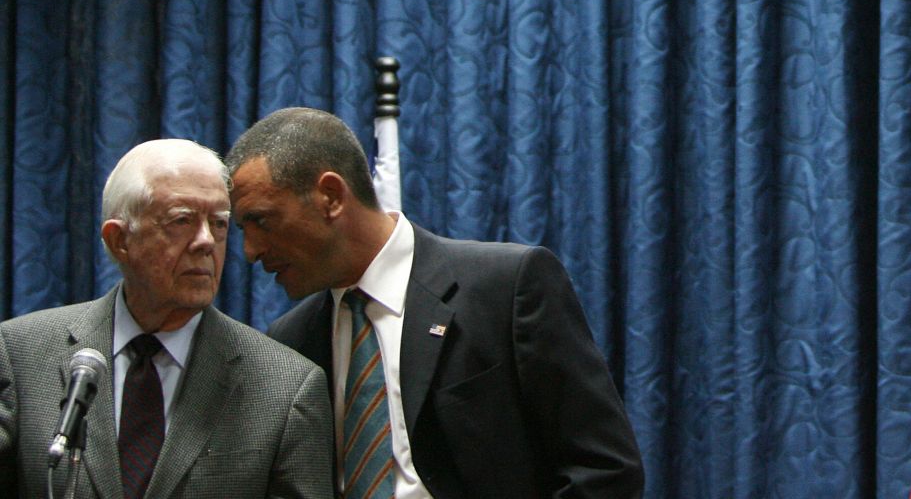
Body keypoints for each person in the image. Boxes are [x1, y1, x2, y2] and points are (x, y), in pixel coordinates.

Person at [225, 106, 643, 499]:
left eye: (261, 220)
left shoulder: (505, 287)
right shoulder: (292, 340)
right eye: (242, 229)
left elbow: (602, 470)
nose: (249, 250)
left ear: (331, 197)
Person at [0, 139, 332, 499]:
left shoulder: (285, 387)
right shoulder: (21, 355)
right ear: (119, 240)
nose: (206, 241)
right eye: (182, 220)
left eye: (219, 224)